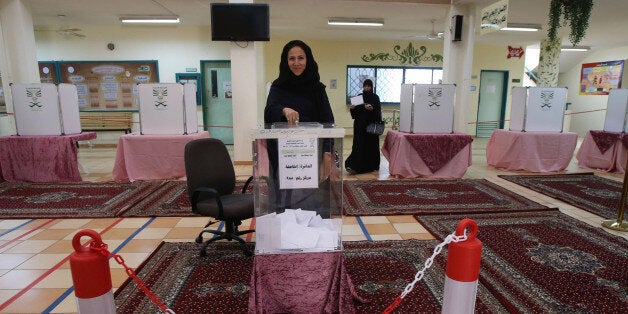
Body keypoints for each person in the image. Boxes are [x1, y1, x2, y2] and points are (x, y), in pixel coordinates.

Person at [263, 40, 335, 214]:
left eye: (301, 58)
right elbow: (268, 111)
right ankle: (284, 224)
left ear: (308, 60)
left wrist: (327, 154)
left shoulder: (317, 89)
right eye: (291, 58)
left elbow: (328, 121)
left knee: (311, 196)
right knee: (284, 193)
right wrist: (283, 109)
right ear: (285, 61)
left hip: (311, 152)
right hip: (283, 152)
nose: (296, 63)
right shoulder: (278, 86)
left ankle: (311, 232)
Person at [345, 79, 382, 174]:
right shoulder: (359, 97)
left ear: (371, 87)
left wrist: (372, 108)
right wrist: (352, 109)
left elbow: (378, 112)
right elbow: (355, 113)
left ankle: (371, 165)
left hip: (371, 126)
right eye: (365, 86)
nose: (367, 88)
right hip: (360, 126)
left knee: (370, 145)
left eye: (368, 86)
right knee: (359, 145)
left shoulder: (375, 97)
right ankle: (355, 165)